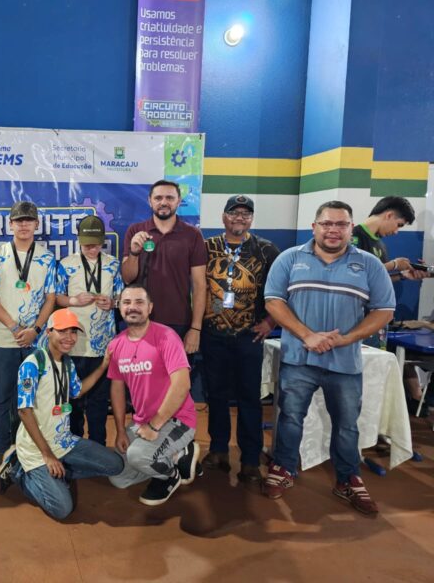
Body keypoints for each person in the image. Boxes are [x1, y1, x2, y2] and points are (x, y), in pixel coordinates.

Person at [262, 200, 395, 515]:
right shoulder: (290, 259)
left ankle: (348, 478)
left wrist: (348, 338)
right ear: (314, 227)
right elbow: (273, 301)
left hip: (345, 362)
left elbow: (384, 310)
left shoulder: (369, 264)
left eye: (341, 224)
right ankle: (284, 467)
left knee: (347, 425)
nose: (333, 230)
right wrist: (307, 335)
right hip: (299, 359)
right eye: (327, 223)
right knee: (290, 417)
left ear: (351, 228)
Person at [0, 309, 124, 520]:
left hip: (63, 442)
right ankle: (19, 472)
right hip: (37, 450)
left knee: (115, 465)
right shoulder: (33, 364)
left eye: (73, 332)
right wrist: (47, 455)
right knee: (62, 508)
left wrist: (104, 365)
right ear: (49, 332)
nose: (69, 337)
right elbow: (24, 411)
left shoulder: (67, 363)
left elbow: (77, 391)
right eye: (62, 331)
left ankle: (55, 474)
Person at [200, 195, 280, 483]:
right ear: (224, 217)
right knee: (216, 395)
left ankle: (250, 460)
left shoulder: (266, 250)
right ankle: (219, 451)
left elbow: (282, 289)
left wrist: (270, 321)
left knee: (249, 398)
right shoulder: (206, 247)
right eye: (234, 213)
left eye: (246, 214)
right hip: (213, 334)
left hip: (250, 335)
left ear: (251, 219)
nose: (240, 218)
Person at [106, 285, 202, 506]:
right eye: (127, 302)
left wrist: (155, 426)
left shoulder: (166, 336)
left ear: (150, 308)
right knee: (118, 477)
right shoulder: (116, 344)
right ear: (119, 307)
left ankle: (170, 476)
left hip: (176, 420)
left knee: (139, 456)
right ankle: (177, 455)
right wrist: (120, 430)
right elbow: (117, 389)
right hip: (142, 422)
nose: (132, 307)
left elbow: (182, 384)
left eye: (139, 302)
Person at [0, 201, 57, 463]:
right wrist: (14, 327)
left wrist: (36, 329)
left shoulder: (47, 258)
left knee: (34, 397)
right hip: (5, 339)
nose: (24, 225)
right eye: (19, 220)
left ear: (36, 224)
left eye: (29, 220)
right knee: (2, 395)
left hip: (36, 340)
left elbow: (51, 298)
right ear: (10, 224)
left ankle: (29, 448)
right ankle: (1, 449)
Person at [55, 215, 123, 445]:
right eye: (86, 245)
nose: (91, 249)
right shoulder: (66, 264)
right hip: (72, 343)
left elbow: (122, 298)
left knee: (98, 401)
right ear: (78, 241)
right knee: (72, 400)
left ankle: (97, 446)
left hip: (103, 345)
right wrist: (73, 300)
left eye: (95, 244)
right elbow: (56, 298)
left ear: (103, 241)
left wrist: (112, 303)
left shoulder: (113, 264)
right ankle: (74, 446)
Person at [121, 180, 207, 355]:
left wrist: (195, 329)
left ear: (178, 201)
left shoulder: (193, 235)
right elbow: (127, 278)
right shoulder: (135, 231)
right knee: (140, 373)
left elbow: (199, 285)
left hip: (179, 322)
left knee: (178, 373)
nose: (164, 202)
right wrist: (134, 252)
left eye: (169, 198)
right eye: (158, 198)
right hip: (141, 320)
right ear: (150, 201)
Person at [350, 196, 426, 282]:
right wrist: (394, 265)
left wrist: (402, 275)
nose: (396, 232)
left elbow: (378, 280)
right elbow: (353, 273)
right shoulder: (353, 236)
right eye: (399, 225)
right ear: (389, 215)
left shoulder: (381, 245)